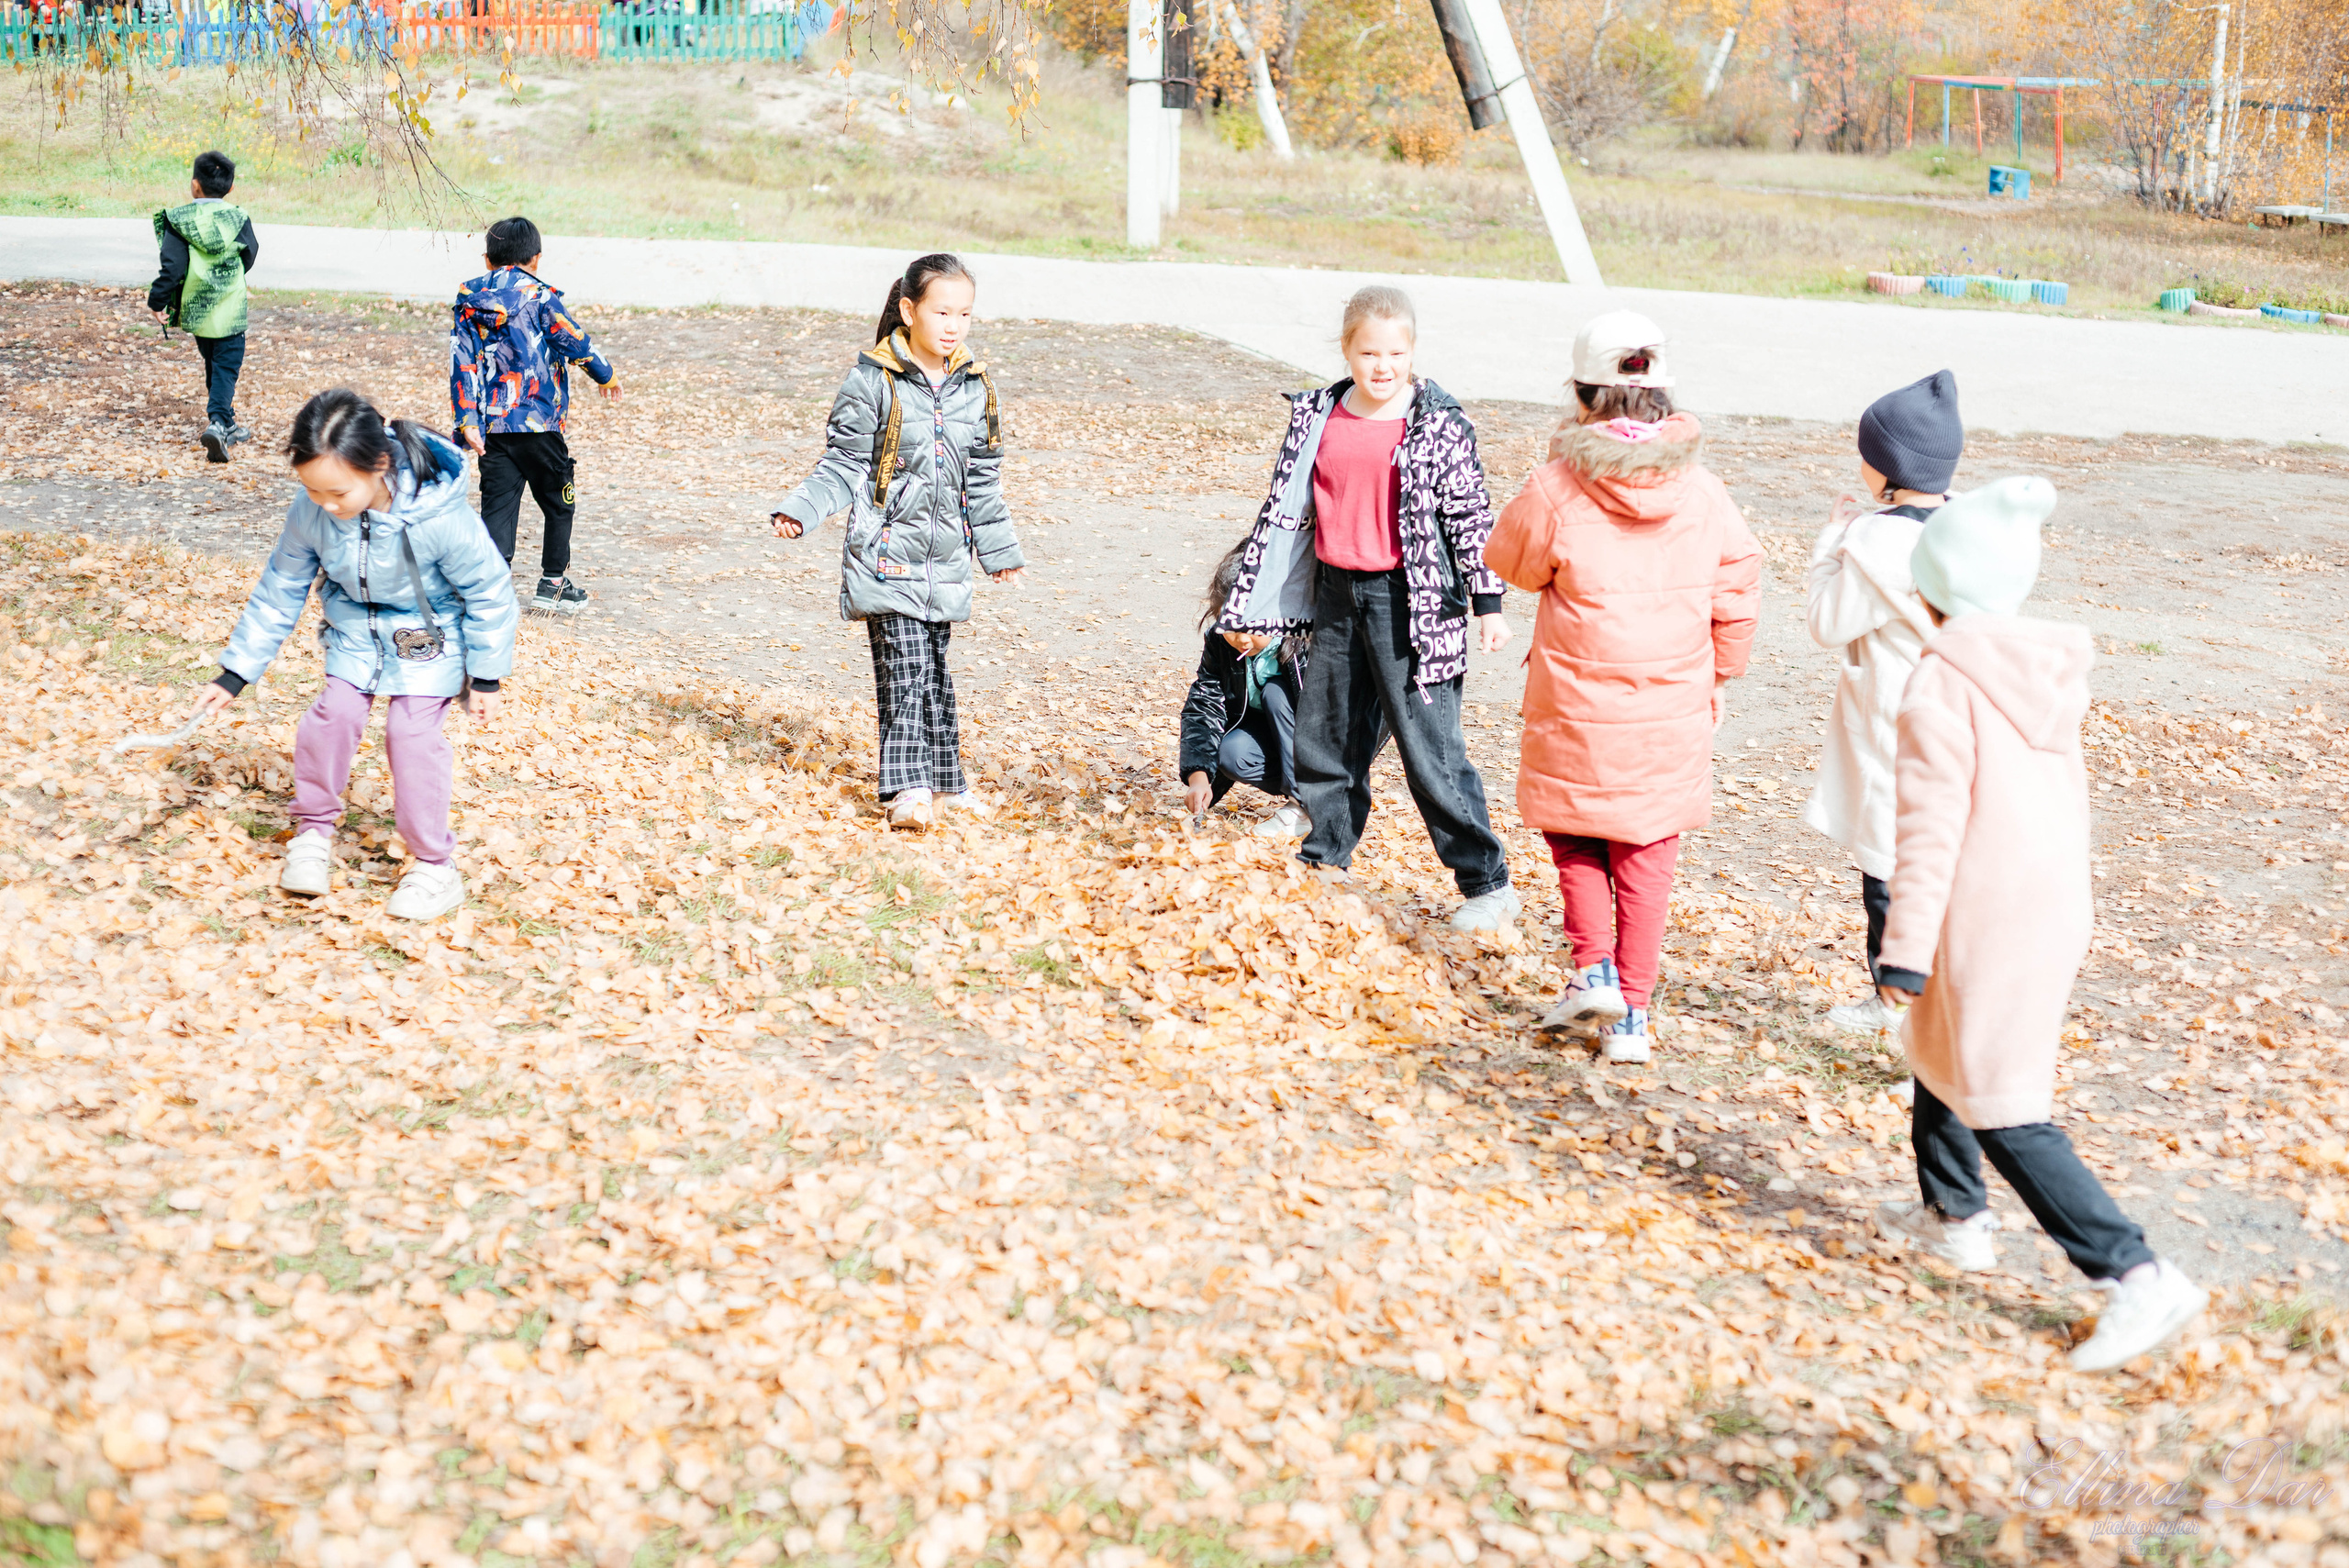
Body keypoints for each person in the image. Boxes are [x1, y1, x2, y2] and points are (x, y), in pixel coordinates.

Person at [1871, 477, 2204, 1373]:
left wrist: (1901, 947)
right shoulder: (2034, 666)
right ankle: (1955, 1216)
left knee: (2004, 1101)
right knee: (1937, 1046)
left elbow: (1930, 827)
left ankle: (2134, 1273)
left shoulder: (1941, 680)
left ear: (1934, 590)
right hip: (2047, 899)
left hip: (1984, 909)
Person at [1484, 310, 1761, 1063]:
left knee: (1574, 827)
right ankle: (1631, 1017)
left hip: (1576, 699)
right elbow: (1739, 581)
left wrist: (1551, 472)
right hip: (1672, 700)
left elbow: (1510, 562)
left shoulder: (1556, 487)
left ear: (1581, 397)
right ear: (1664, 402)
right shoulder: (1702, 490)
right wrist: (1722, 670)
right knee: (1648, 850)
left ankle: (1592, 969)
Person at [1216, 284, 1518, 931]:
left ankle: (1486, 882)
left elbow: (1469, 514)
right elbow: (1284, 511)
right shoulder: (1319, 414)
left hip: (1411, 600)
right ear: (1347, 350)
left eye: (1396, 352)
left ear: (1413, 352)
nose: (1384, 366)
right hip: (1336, 591)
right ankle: (1326, 856)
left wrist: (1488, 602)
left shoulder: (1436, 421)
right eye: (1370, 352)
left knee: (1429, 748)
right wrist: (1254, 596)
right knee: (1327, 735)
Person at [189, 389, 518, 922]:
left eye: (337, 493)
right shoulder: (314, 510)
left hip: (429, 637)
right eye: (313, 492)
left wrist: (485, 677)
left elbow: (490, 593)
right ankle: (313, 832)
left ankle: (435, 866)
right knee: (331, 716)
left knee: (410, 736)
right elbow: (281, 586)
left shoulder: (438, 517)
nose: (325, 506)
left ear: (379, 466)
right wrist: (235, 673)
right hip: (357, 633)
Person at [769, 252, 1024, 829]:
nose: (953, 324)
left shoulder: (976, 389)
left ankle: (947, 782)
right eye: (941, 311)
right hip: (885, 557)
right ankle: (906, 787)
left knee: (933, 672)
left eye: (965, 313)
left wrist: (999, 551)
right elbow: (843, 464)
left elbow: (982, 483)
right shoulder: (871, 381)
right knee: (904, 668)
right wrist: (801, 510)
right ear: (909, 311)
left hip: (945, 562)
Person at [1802, 370, 1960, 1039]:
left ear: (1886, 469)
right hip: (1955, 714)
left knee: (1887, 867)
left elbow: (1824, 621)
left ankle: (1896, 1005)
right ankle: (1933, 1003)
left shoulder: (1874, 547)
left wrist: (1834, 540)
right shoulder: (1961, 532)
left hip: (1890, 718)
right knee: (1939, 860)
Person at [450, 216, 622, 617]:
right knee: (560, 500)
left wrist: (467, 420)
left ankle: (488, 590)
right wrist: (605, 374)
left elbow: (462, 363)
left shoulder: (469, 302)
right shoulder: (540, 298)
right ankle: (553, 583)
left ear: (487, 260)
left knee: (498, 506)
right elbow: (573, 338)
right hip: (539, 424)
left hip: (492, 426)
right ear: (536, 259)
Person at [1180, 539, 1315, 838]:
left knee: (1275, 692)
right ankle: (1303, 792)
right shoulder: (1220, 642)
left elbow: (1333, 718)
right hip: (1280, 746)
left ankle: (1308, 806)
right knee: (1232, 753)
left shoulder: (1306, 638)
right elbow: (1204, 702)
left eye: (1252, 627)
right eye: (1231, 627)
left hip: (1324, 749)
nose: (1241, 640)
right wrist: (1199, 778)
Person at [149, 150, 260, 464]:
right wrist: (228, 278)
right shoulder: (238, 218)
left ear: (195, 185)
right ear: (231, 187)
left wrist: (158, 301)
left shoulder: (179, 220)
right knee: (226, 366)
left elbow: (172, 267)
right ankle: (219, 424)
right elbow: (249, 254)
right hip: (230, 308)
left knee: (214, 362)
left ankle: (228, 420)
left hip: (198, 310)